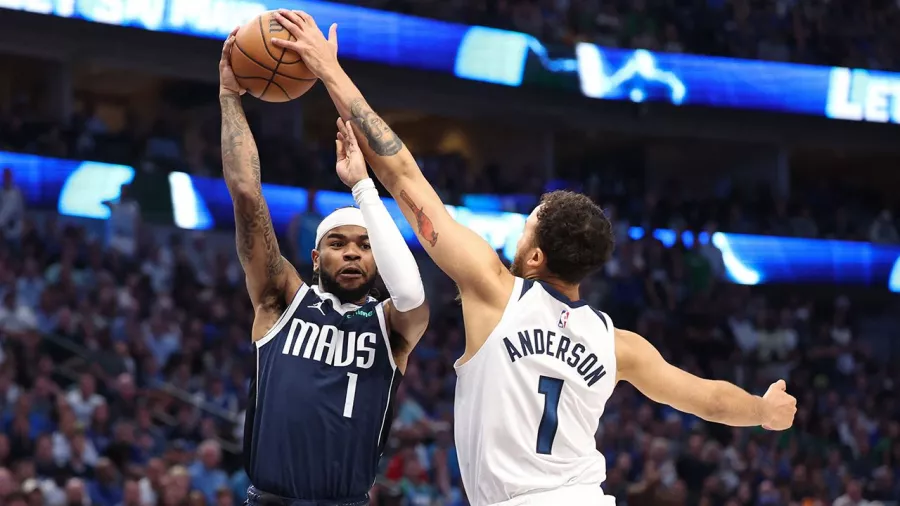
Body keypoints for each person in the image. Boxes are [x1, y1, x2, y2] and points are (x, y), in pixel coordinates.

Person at [270, 11, 798, 506]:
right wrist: (763, 411)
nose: (516, 239)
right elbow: (704, 399)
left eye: (525, 228)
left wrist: (330, 72)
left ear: (538, 254)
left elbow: (403, 173)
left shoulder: (493, 290)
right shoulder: (619, 345)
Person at [218, 27, 430, 505]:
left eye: (365, 244)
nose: (353, 252)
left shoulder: (393, 327)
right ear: (316, 257)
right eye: (338, 243)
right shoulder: (281, 301)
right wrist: (230, 95)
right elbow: (248, 195)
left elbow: (412, 296)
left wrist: (363, 189)